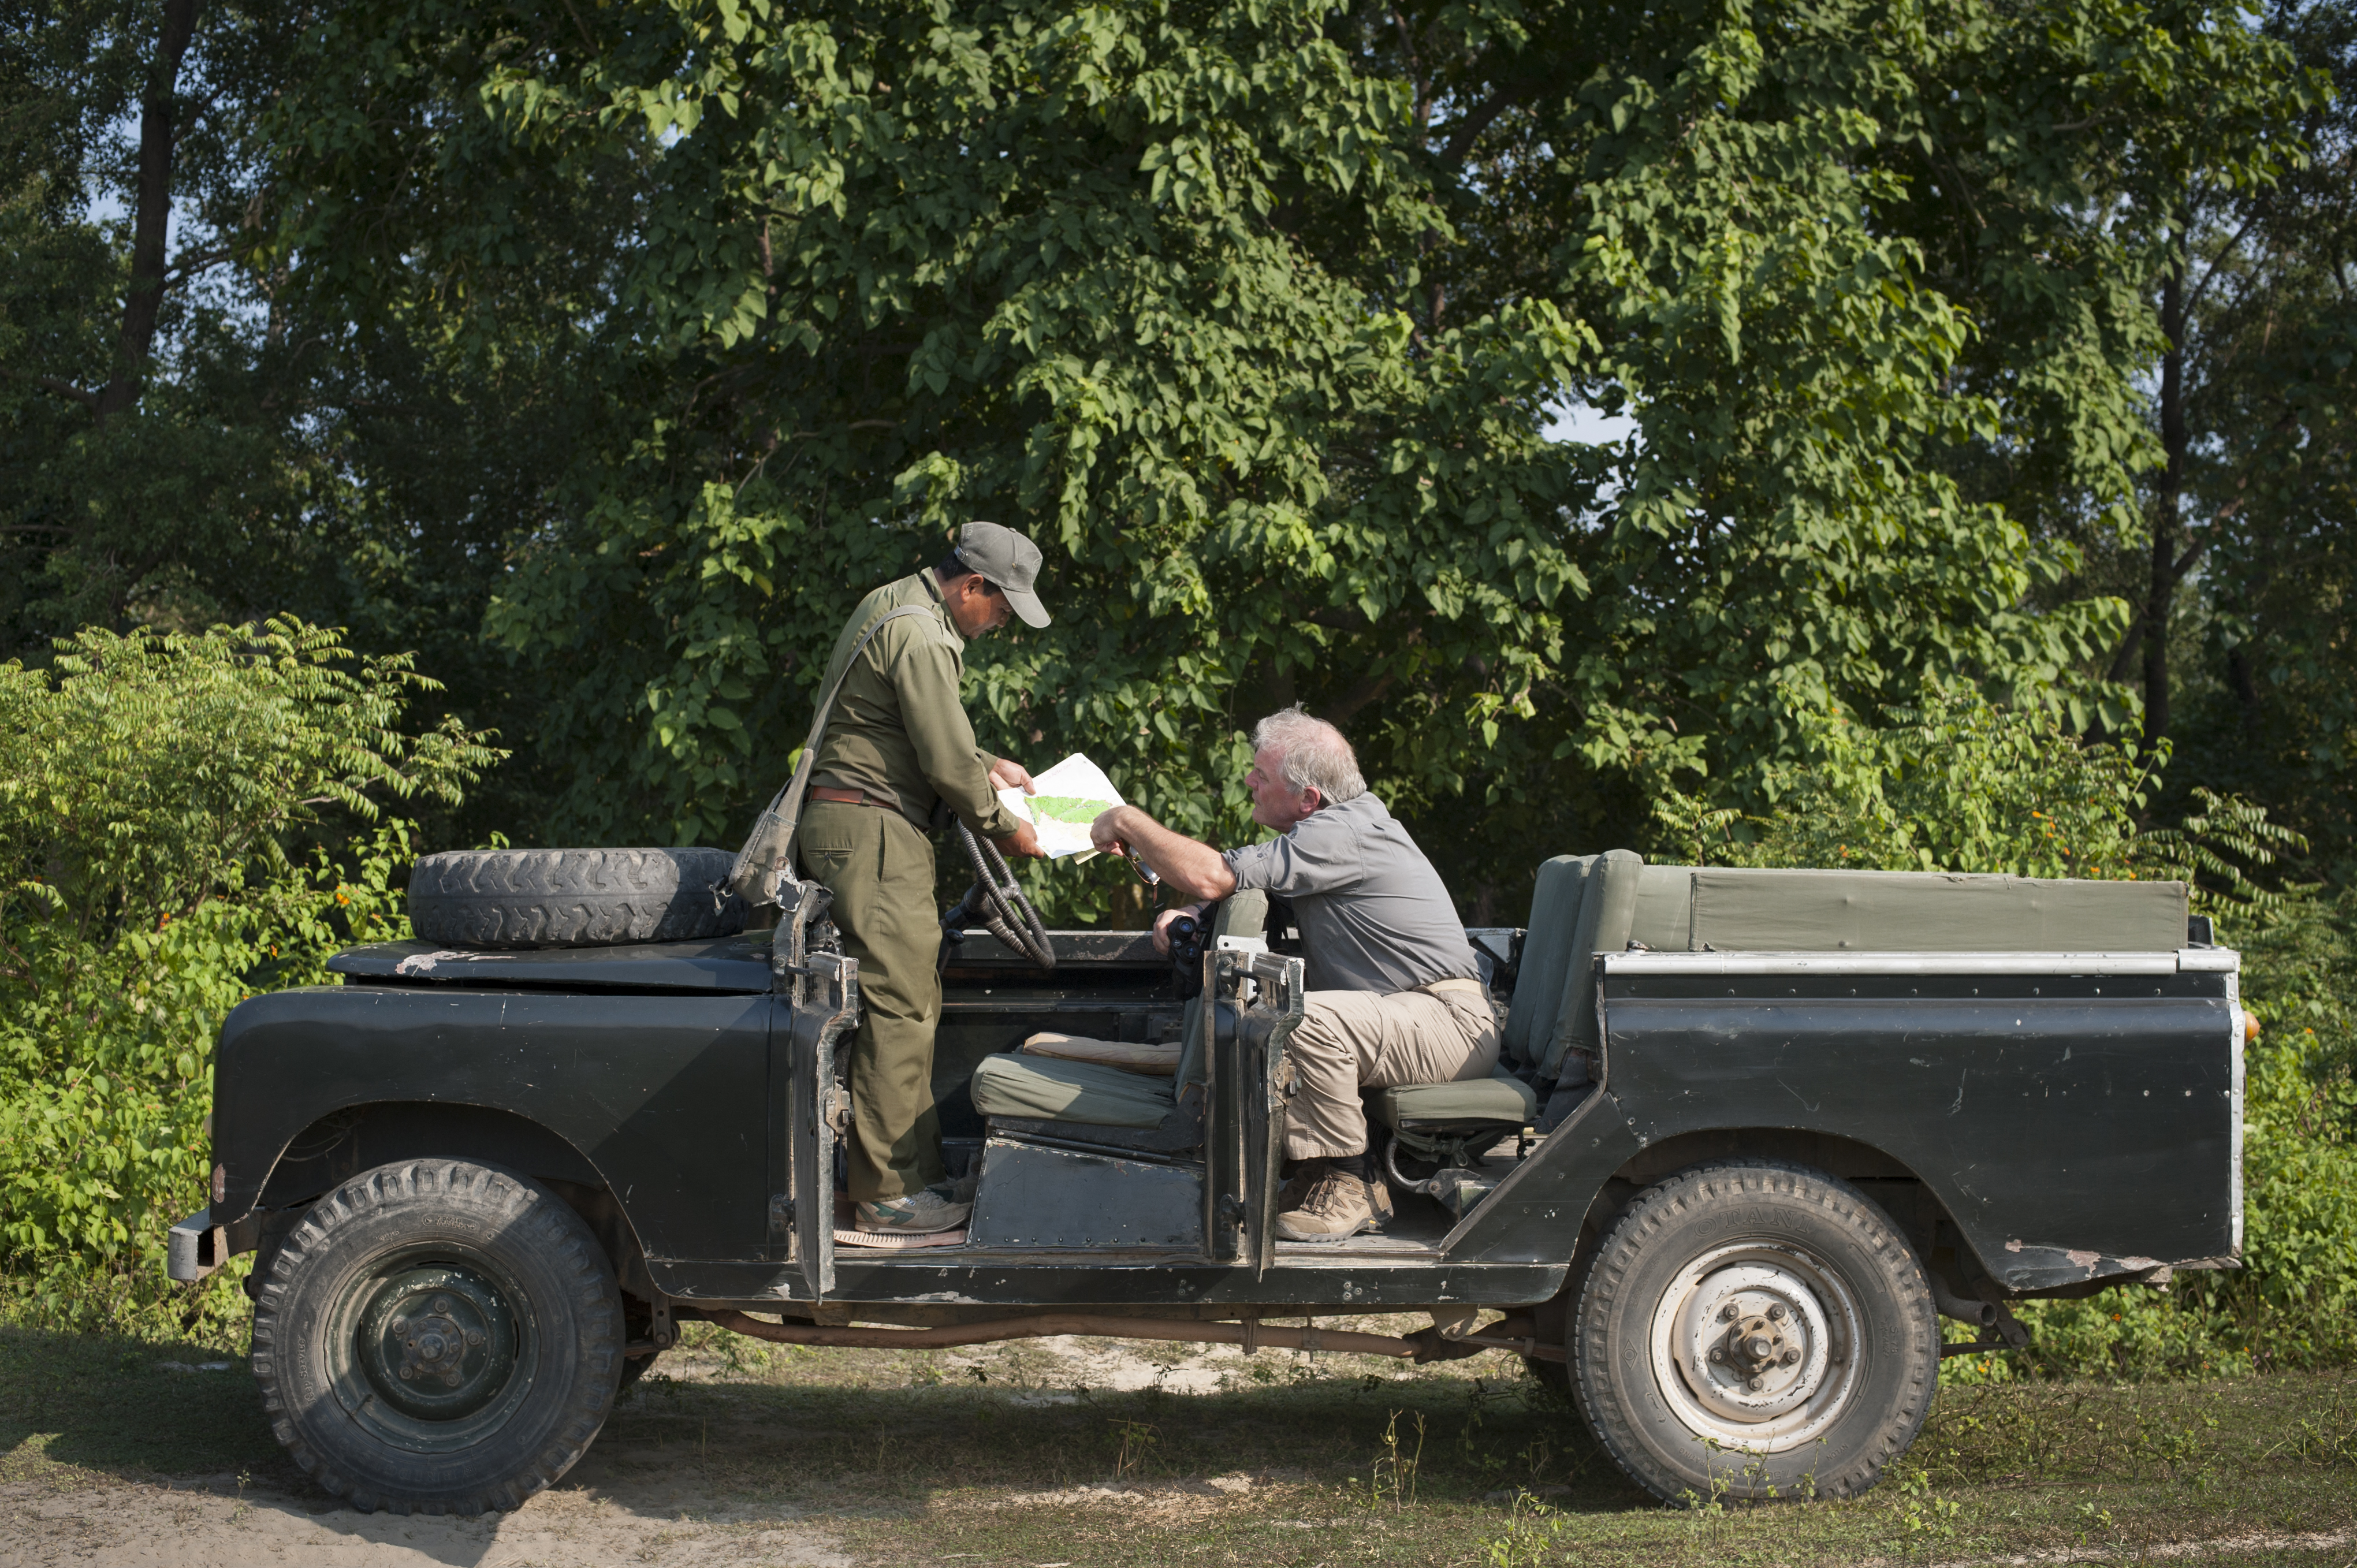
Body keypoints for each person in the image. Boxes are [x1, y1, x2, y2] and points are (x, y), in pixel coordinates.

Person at [1089, 708, 1498, 1241]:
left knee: (1298, 1018)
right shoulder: (1332, 831)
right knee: (1292, 1014)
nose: (1248, 781)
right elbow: (1235, 886)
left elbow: (1212, 873)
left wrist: (1126, 821)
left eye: (1262, 774)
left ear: (1308, 799)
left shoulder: (1340, 832)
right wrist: (1194, 913)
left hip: (1448, 1020)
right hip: (1413, 1016)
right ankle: (1313, 1174)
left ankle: (1352, 1186)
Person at [798, 522, 1051, 1235]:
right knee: (900, 1007)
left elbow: (913, 729)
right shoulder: (922, 633)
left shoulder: (897, 605)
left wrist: (990, 764)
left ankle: (906, 1178)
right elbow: (942, 762)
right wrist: (1011, 826)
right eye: (1000, 610)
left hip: (867, 826)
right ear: (971, 586)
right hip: (873, 828)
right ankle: (889, 1197)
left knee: (903, 1001)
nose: (998, 625)